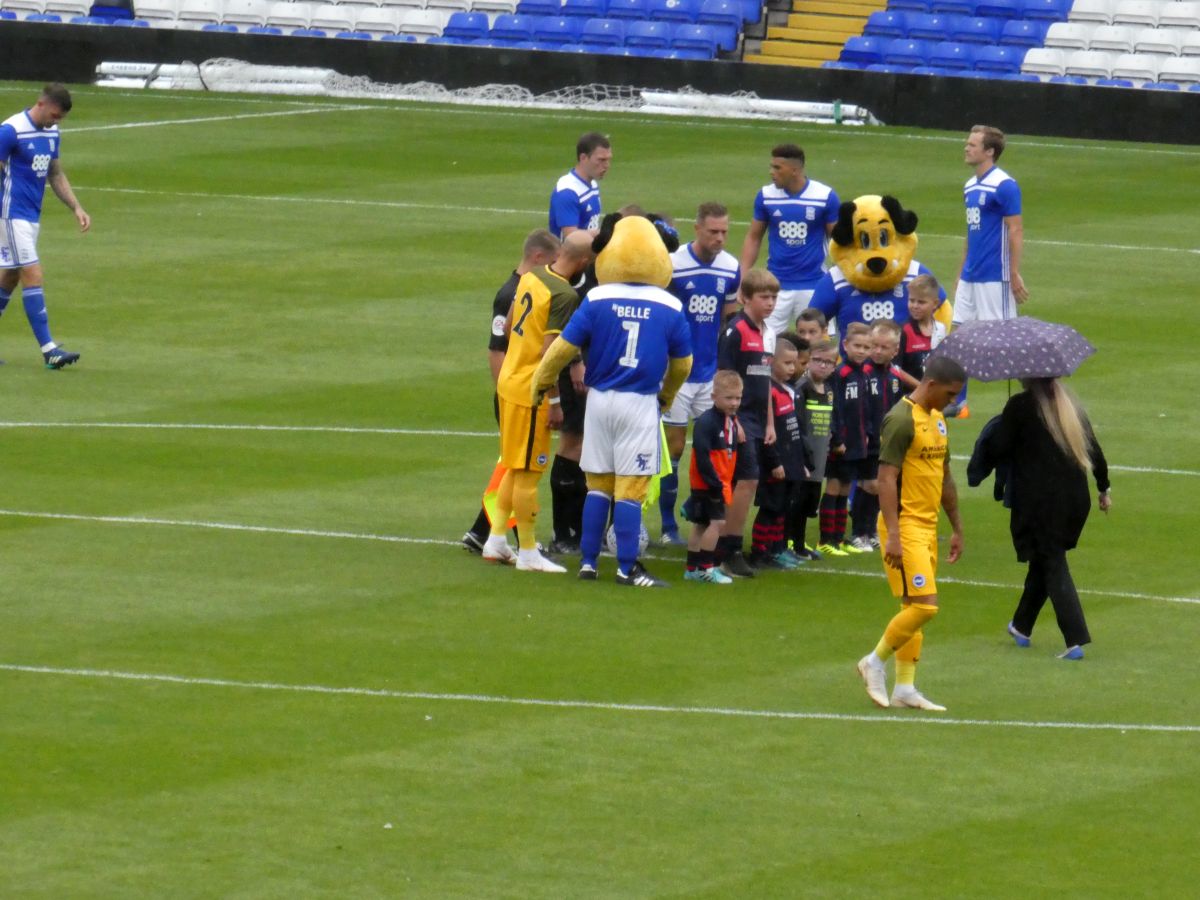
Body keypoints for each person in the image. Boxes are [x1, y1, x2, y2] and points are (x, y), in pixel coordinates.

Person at [531, 214, 692, 587]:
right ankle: (626, 567)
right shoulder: (668, 305)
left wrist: (541, 382)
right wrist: (666, 396)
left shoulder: (597, 297)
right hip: (638, 402)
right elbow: (683, 365)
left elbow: (561, 348)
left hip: (599, 401)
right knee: (630, 488)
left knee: (599, 484)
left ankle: (587, 563)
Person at [969, 378, 1111, 660]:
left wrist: (1001, 423)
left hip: (1039, 501)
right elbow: (1094, 449)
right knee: (1045, 559)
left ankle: (1074, 638)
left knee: (1052, 562)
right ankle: (1021, 626)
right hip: (1075, 499)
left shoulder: (1020, 406)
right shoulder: (1070, 406)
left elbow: (999, 448)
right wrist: (1103, 487)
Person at [856, 356, 967, 712]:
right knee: (925, 606)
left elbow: (945, 477)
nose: (952, 402)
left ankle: (905, 688)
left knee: (912, 606)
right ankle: (874, 661)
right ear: (931, 385)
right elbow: (886, 478)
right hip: (904, 526)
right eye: (950, 394)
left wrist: (957, 527)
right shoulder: (902, 419)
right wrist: (893, 535)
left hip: (928, 525)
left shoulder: (937, 421)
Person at [480, 231, 595, 573]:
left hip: (510, 383)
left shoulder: (531, 276)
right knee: (529, 472)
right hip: (532, 392)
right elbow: (549, 353)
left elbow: (513, 320)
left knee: (516, 466)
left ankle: (496, 540)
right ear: (584, 263)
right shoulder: (564, 295)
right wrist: (556, 401)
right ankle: (528, 552)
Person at [462, 229, 562, 554]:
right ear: (537, 258)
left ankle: (483, 532)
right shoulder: (511, 294)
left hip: (515, 390)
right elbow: (496, 350)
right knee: (518, 466)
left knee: (512, 464)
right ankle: (518, 541)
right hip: (514, 394)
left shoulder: (526, 288)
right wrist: (503, 394)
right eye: (551, 261)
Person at [659, 201, 742, 546]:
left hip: (709, 374)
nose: (720, 238)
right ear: (697, 229)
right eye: (713, 232)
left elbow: (728, 318)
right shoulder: (673, 265)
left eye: (724, 232)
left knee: (714, 448)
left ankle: (702, 516)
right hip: (676, 374)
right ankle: (667, 527)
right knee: (674, 448)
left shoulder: (731, 267)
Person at [0, 83, 90, 369]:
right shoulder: (10, 130)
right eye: (54, 115)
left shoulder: (52, 133)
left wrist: (76, 206)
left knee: (9, 278)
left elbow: (55, 173)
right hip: (10, 215)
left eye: (60, 118)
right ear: (41, 104)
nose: (56, 121)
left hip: (30, 217)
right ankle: (49, 350)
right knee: (32, 273)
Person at [951, 124, 1027, 417]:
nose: (966, 148)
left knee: (1006, 343)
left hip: (995, 276)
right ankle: (958, 401)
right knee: (959, 337)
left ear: (989, 151)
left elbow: (1016, 229)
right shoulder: (970, 186)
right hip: (971, 276)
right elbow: (972, 233)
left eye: (972, 144)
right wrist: (961, 272)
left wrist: (1014, 272)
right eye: (967, 143)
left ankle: (1032, 398)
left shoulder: (1004, 185)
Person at [715, 268, 778, 578]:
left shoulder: (767, 331)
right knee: (746, 481)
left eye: (774, 297)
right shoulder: (736, 330)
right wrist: (732, 420)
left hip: (757, 419)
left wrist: (770, 422)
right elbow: (724, 378)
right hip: (739, 419)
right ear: (746, 298)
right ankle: (730, 548)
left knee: (750, 482)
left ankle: (726, 544)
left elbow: (765, 381)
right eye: (764, 297)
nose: (770, 303)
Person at [739, 143, 839, 336]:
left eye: (777, 167)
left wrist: (837, 279)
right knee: (765, 345)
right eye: (771, 166)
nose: (771, 172)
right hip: (776, 288)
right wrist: (743, 278)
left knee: (819, 347)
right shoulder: (766, 196)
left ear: (795, 170)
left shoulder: (824, 196)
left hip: (814, 286)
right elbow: (753, 237)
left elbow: (838, 241)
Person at [749, 336, 812, 570]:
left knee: (783, 508)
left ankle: (777, 549)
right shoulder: (769, 392)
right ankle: (759, 552)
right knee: (770, 508)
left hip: (791, 461)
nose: (793, 368)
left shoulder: (788, 390)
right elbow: (769, 434)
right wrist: (775, 462)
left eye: (794, 363)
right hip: (775, 464)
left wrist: (800, 463)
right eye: (787, 363)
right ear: (771, 361)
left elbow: (793, 429)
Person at [849, 320, 908, 551]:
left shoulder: (893, 377)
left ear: (895, 350)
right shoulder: (863, 373)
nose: (877, 351)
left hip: (886, 440)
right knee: (869, 484)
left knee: (880, 485)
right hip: (868, 438)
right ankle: (858, 532)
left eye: (884, 347)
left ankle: (871, 529)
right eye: (875, 346)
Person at [818, 322, 874, 557]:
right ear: (845, 345)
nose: (861, 351)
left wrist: (868, 434)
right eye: (857, 346)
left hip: (857, 442)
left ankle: (839, 538)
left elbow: (865, 408)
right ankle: (826, 540)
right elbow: (835, 409)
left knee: (845, 487)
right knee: (833, 486)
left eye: (865, 347)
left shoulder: (864, 373)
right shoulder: (839, 374)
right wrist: (837, 440)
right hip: (841, 443)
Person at [682, 371, 743, 585]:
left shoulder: (731, 421)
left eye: (737, 398)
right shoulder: (707, 422)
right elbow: (702, 456)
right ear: (713, 397)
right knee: (717, 523)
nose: (734, 403)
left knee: (701, 524)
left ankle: (692, 568)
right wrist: (715, 483)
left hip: (717, 482)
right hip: (709, 483)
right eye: (729, 398)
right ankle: (707, 568)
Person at [789, 337, 837, 560]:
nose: (824, 365)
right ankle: (791, 543)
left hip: (819, 456)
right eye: (818, 360)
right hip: (804, 457)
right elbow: (798, 423)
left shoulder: (828, 389)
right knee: (796, 502)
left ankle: (799, 543)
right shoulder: (802, 387)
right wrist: (803, 454)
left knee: (809, 503)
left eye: (830, 362)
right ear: (808, 361)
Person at [548, 131, 611, 238]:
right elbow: (572, 238)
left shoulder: (592, 184)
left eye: (608, 159)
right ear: (583, 158)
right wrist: (605, 233)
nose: (606, 165)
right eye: (601, 160)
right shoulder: (568, 192)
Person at [897, 274, 947, 389]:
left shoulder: (940, 329)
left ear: (935, 303)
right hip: (910, 398)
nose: (915, 306)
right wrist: (921, 387)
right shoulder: (903, 331)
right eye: (911, 300)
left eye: (921, 302)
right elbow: (895, 369)